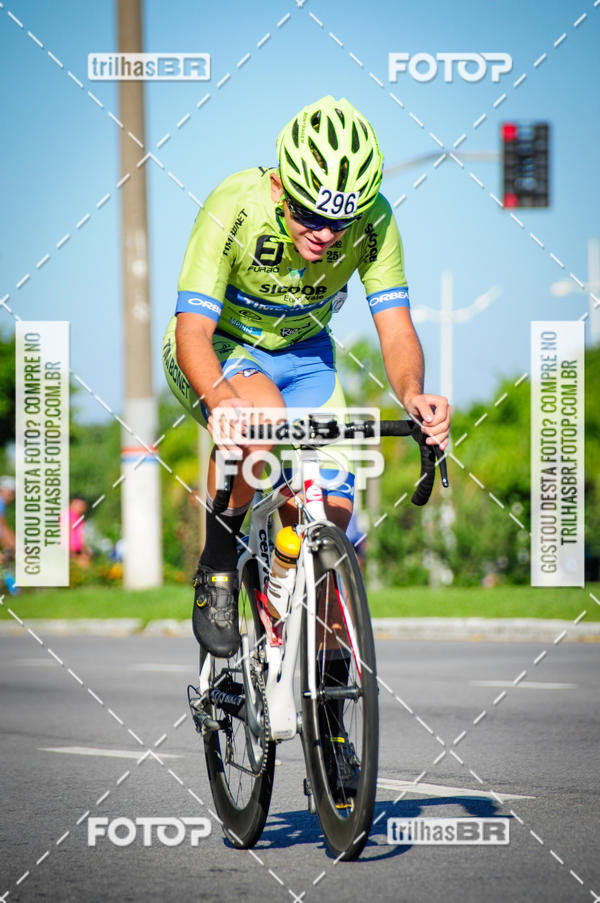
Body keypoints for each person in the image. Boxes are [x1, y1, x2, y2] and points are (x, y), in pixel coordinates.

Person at [163, 96, 450, 797]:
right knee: (259, 422)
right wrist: (221, 402)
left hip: (306, 358)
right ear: (281, 185)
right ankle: (221, 561)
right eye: (310, 216)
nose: (325, 234)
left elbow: (396, 326)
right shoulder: (233, 203)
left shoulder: (374, 220)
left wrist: (413, 393)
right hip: (221, 351)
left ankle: (329, 707)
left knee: (336, 517)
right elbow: (190, 333)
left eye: (339, 219)